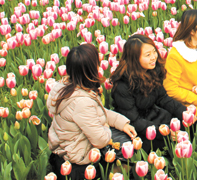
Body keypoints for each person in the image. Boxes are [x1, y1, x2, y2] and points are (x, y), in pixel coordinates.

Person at [48, 43, 137, 180]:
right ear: (90, 70)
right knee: (128, 147)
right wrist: (106, 127)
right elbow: (100, 140)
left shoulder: (67, 87)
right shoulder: (82, 102)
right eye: (97, 63)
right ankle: (113, 175)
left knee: (123, 135)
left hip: (69, 145)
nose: (99, 66)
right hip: (80, 156)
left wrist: (121, 123)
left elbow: (98, 112)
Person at [110, 34, 191, 151]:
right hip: (135, 126)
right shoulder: (123, 85)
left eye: (154, 51)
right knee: (164, 142)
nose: (154, 57)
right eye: (148, 55)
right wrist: (163, 131)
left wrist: (184, 112)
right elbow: (134, 121)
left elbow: (163, 98)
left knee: (185, 125)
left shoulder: (152, 70)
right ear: (134, 59)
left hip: (153, 115)